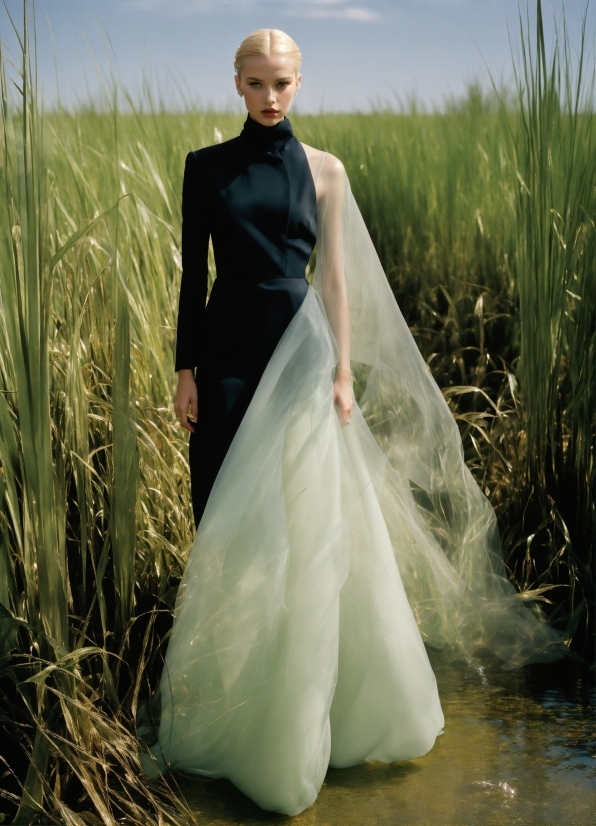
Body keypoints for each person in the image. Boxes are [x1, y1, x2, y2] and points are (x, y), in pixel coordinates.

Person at [140, 28, 566, 816]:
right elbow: (192, 275)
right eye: (257, 82)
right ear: (237, 84)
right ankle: (239, 699)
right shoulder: (206, 168)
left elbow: (332, 279)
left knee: (309, 525)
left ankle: (310, 718)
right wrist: (185, 372)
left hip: (300, 357)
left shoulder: (326, 171)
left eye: (283, 83)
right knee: (228, 525)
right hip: (228, 356)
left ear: (299, 83)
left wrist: (341, 371)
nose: (271, 96)